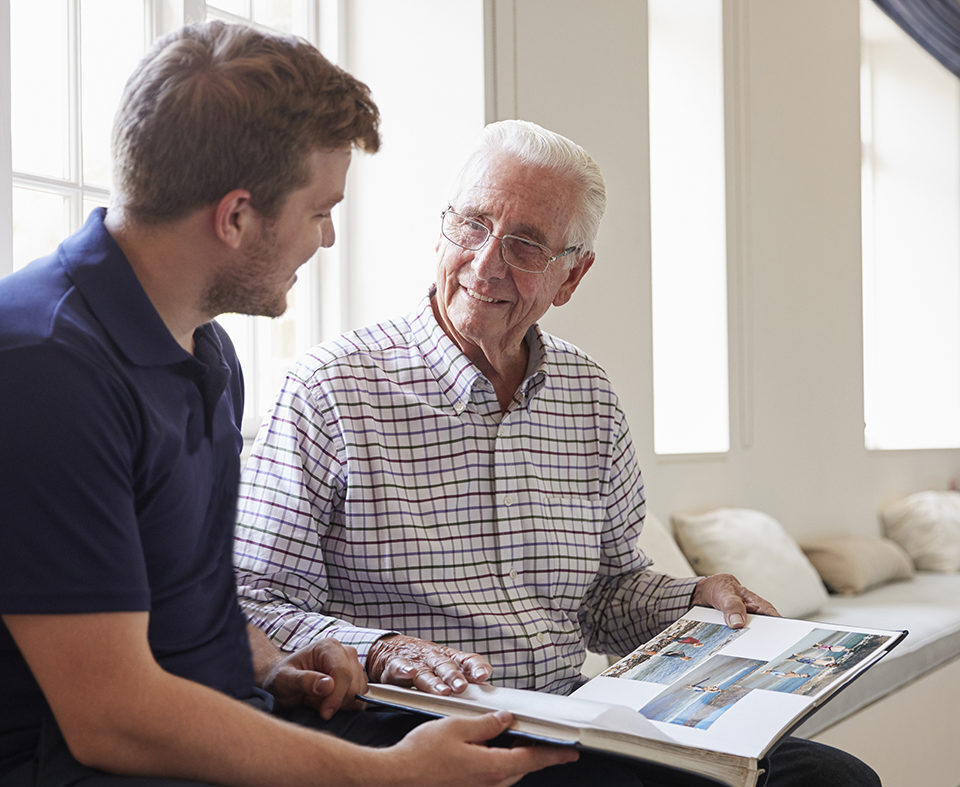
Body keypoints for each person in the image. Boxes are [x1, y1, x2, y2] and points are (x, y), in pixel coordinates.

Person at [0, 23, 579, 787]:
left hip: (231, 730)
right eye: (319, 210)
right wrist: (392, 773)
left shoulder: (204, 349)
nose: (330, 237)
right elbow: (112, 715)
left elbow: (180, 605)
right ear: (236, 216)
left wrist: (274, 663)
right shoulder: (42, 367)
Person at [234, 119, 880, 785]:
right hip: (408, 725)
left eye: (525, 246)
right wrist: (387, 649)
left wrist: (696, 599)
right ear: (441, 227)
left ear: (572, 276)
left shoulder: (589, 396)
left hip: (569, 714)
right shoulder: (329, 389)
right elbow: (253, 600)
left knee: (829, 777)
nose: (486, 263)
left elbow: (606, 594)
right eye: (473, 224)